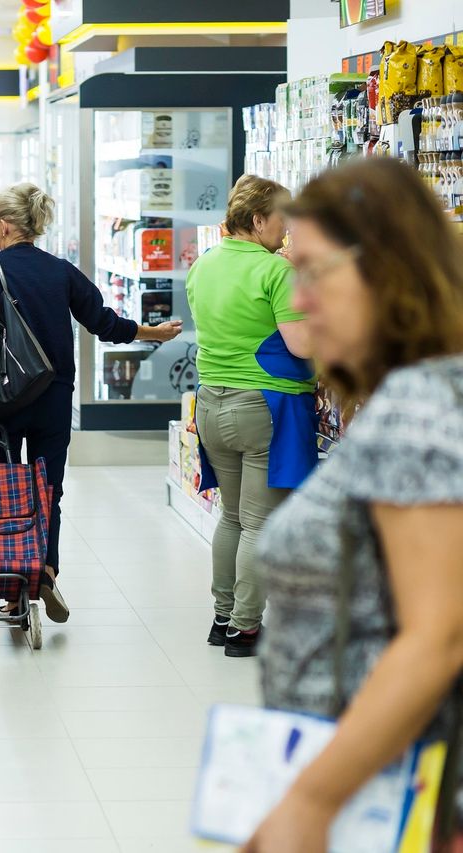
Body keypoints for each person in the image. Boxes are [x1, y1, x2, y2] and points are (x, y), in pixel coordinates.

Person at [244, 160, 463, 852]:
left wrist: (312, 798)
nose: (297, 297)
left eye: (313, 270)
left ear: (385, 268)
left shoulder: (419, 405)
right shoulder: (418, 393)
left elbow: (439, 635)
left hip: (388, 795)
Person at [0, 183, 181, 623]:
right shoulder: (61, 271)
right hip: (54, 398)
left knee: (7, 493)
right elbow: (104, 323)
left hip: (2, 402)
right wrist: (152, 333)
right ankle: (44, 569)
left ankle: (13, 587)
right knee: (49, 490)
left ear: (5, 225)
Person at [186, 175, 316, 659]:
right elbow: (302, 344)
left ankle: (222, 618)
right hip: (265, 405)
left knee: (233, 517)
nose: (286, 232)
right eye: (282, 220)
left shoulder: (204, 265)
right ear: (258, 219)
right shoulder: (275, 272)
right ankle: (245, 629)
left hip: (213, 402)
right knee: (261, 524)